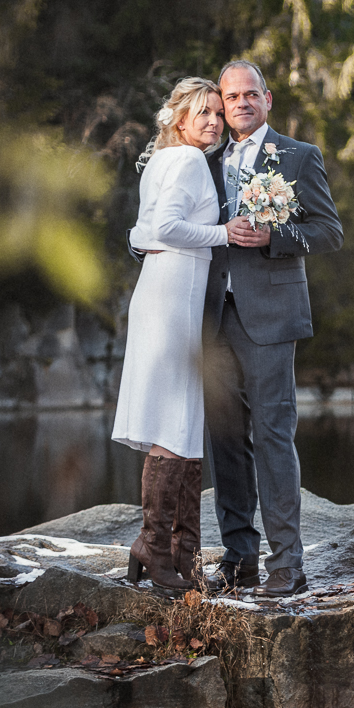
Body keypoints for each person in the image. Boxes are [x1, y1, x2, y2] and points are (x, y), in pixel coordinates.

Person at [202, 60, 342, 597]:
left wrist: (276, 238)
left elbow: (328, 231)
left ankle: (288, 565)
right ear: (221, 101)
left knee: (275, 437)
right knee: (226, 442)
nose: (240, 103)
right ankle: (240, 560)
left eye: (249, 94)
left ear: (267, 98)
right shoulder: (206, 160)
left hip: (270, 317)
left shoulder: (299, 157)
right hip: (213, 316)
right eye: (230, 95)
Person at [111, 77, 226, 591]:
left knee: (181, 421)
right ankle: (155, 547)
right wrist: (226, 233)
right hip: (173, 292)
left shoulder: (160, 160)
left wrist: (157, 243)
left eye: (217, 114)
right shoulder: (186, 161)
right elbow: (169, 228)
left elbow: (141, 232)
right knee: (173, 426)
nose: (213, 121)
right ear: (180, 119)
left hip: (165, 288)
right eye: (202, 112)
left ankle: (182, 552)